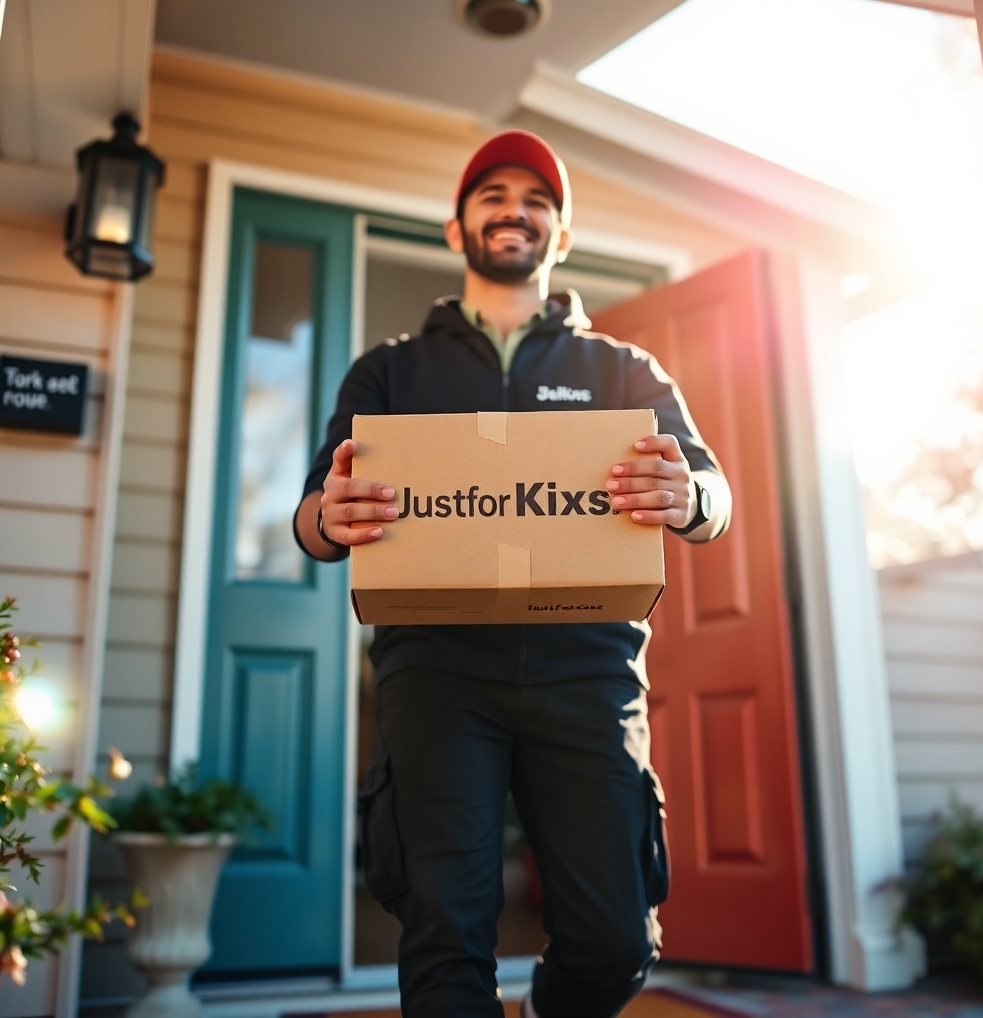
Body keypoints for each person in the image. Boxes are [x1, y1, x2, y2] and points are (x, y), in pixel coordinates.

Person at [294, 130, 732, 1018]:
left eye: (536, 199)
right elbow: (314, 513)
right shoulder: (390, 371)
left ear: (559, 237)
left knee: (614, 940)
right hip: (437, 673)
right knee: (443, 935)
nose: (514, 209)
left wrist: (687, 494)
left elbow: (713, 496)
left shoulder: (621, 369)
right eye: (492, 194)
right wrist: (325, 520)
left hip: (587, 668)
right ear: (458, 230)